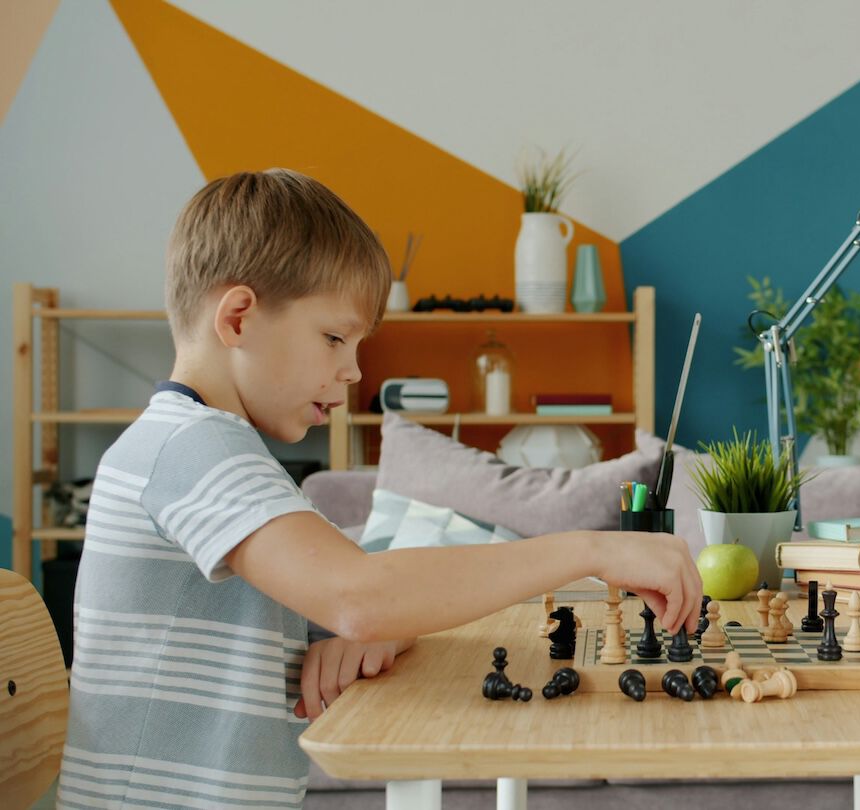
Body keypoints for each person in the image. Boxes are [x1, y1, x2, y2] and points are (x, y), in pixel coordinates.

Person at [58, 169, 703, 808]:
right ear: (238, 318)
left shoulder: (213, 451)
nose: (353, 371)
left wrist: (382, 630)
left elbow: (366, 599)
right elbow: (360, 596)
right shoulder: (193, 448)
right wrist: (592, 549)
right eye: (334, 338)